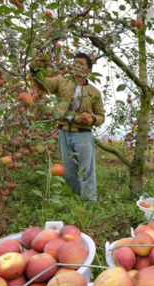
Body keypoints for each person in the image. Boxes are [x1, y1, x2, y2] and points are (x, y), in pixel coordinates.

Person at [30, 53, 105, 202]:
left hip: (83, 134)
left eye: (81, 63)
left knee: (87, 171)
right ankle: (78, 197)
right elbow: (42, 84)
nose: (77, 65)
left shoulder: (94, 92)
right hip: (64, 132)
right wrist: (34, 70)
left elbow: (101, 116)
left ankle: (90, 203)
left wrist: (93, 119)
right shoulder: (61, 81)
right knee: (70, 173)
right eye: (75, 62)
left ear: (89, 70)